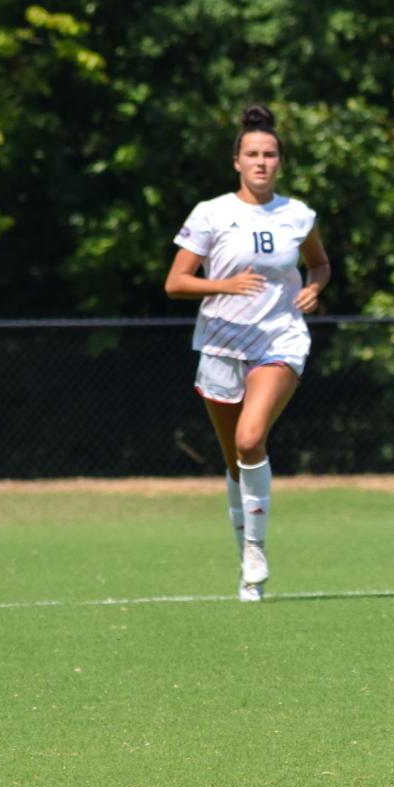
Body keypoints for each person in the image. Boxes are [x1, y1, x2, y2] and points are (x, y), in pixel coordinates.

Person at [164, 104, 330, 601]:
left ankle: (256, 550)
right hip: (221, 344)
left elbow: (319, 265)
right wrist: (225, 284)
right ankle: (246, 568)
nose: (262, 161)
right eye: (252, 154)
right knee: (235, 460)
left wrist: (316, 287)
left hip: (279, 340)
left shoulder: (298, 215)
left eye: (270, 154)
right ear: (236, 160)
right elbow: (175, 282)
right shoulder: (212, 213)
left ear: (280, 161)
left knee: (251, 439)